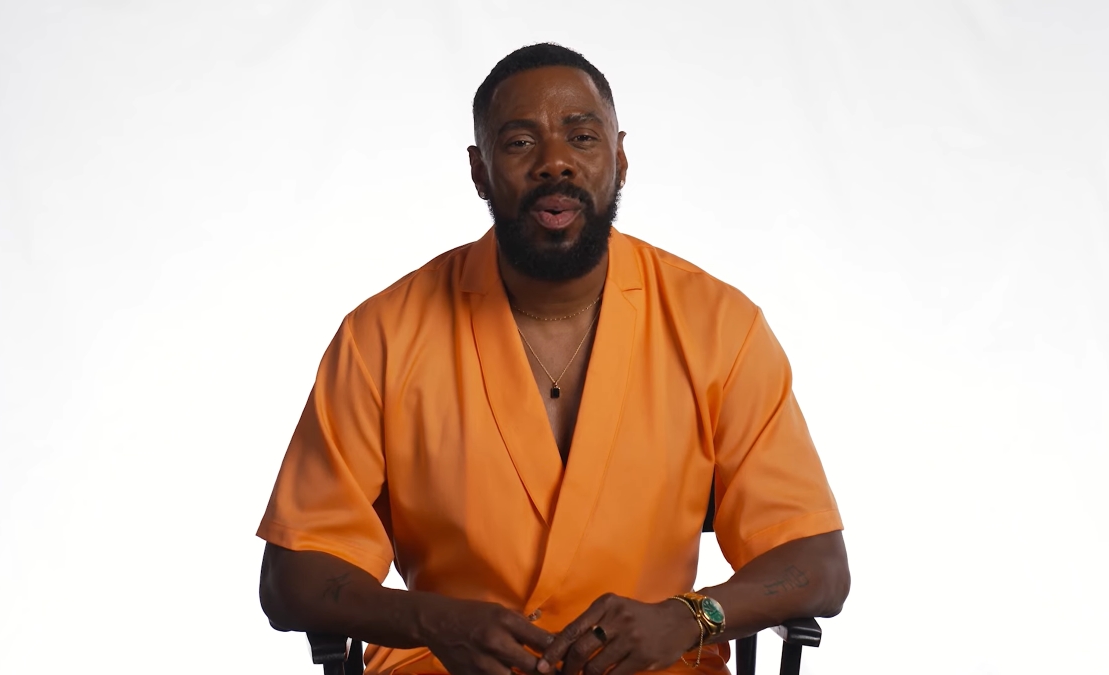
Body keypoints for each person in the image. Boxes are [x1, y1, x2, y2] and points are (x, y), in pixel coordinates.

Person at [257, 43, 850, 675]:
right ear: (479, 171)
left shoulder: (720, 326)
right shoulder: (381, 335)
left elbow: (817, 565)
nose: (555, 163)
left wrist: (688, 616)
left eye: (582, 137)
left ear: (620, 158)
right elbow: (291, 577)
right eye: (519, 143)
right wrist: (432, 620)